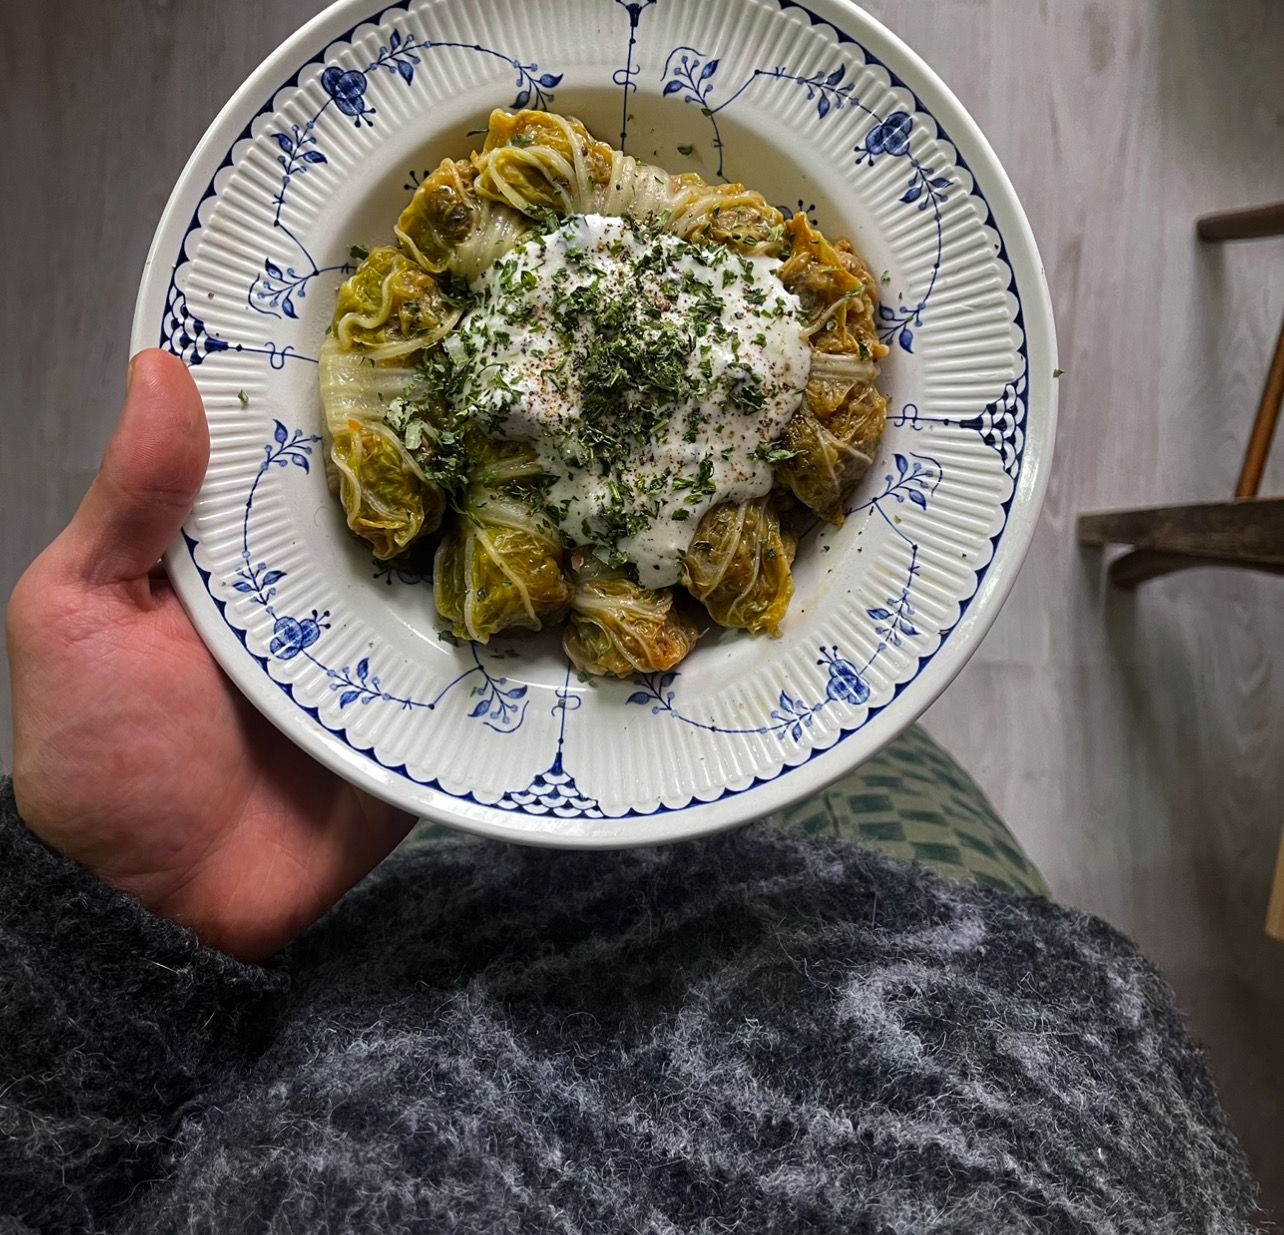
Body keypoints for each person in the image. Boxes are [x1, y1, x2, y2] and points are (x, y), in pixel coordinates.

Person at [1, 351, 1261, 1233]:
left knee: (842, 754)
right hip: (971, 994)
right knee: (884, 774)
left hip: (364, 952)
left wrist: (116, 931)